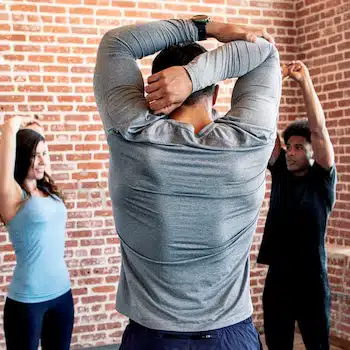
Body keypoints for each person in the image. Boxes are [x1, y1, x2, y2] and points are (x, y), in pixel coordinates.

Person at [94, 17, 281, 349]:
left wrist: (204, 27)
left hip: (151, 338)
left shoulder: (131, 133)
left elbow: (116, 44)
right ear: (218, 88)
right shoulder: (251, 140)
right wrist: (194, 76)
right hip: (230, 336)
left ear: (152, 90)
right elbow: (265, 50)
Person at [257, 61, 336, 350]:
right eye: (289, 146)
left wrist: (304, 83)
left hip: (312, 282)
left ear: (313, 152)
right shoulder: (280, 172)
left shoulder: (321, 180)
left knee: (317, 345)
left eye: (299, 147)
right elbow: (265, 127)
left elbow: (319, 129)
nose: (290, 152)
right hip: (279, 279)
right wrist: (272, 82)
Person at [0, 116, 74, 350]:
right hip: (27, 302)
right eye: (35, 155)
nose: (42, 161)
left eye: (45, 153)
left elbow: (41, 154)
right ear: (22, 157)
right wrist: (13, 125)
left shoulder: (46, 188)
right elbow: (10, 130)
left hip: (62, 294)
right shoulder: (13, 196)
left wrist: (37, 138)